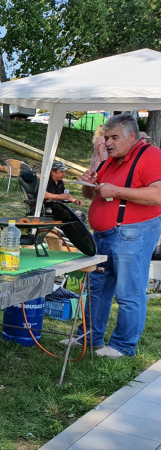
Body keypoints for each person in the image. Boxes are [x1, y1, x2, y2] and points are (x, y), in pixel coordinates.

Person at [75, 114, 161, 358]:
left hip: (132, 234)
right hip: (103, 235)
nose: (108, 142)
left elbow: (158, 196)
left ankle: (123, 346)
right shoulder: (112, 160)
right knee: (97, 289)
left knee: (128, 292)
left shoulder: (151, 155)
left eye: (114, 137)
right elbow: (95, 196)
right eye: (106, 137)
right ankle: (89, 338)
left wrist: (117, 191)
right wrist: (87, 184)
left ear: (131, 137)